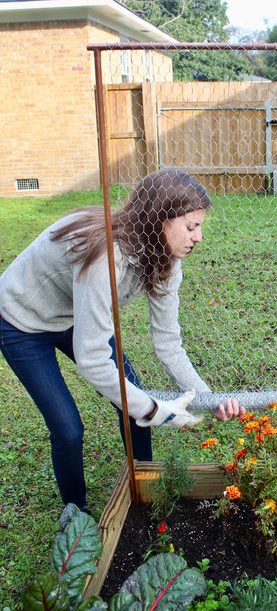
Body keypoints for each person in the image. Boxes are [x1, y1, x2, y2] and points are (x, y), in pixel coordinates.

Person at [0, 170, 242, 511]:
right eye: (191, 227)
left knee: (132, 401)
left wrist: (208, 398)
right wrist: (155, 410)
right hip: (20, 320)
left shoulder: (167, 262)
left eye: (199, 226)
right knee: (68, 428)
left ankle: (143, 481)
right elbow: (93, 360)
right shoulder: (106, 257)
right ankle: (75, 512)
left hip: (74, 313)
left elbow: (169, 344)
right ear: (159, 220)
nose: (199, 237)